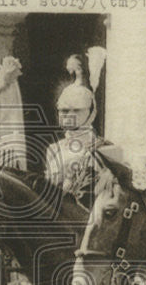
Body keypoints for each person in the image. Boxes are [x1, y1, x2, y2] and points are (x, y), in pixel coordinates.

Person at [43, 48, 111, 206]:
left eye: (76, 110)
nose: (68, 115)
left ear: (91, 112)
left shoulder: (103, 148)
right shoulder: (54, 149)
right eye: (64, 110)